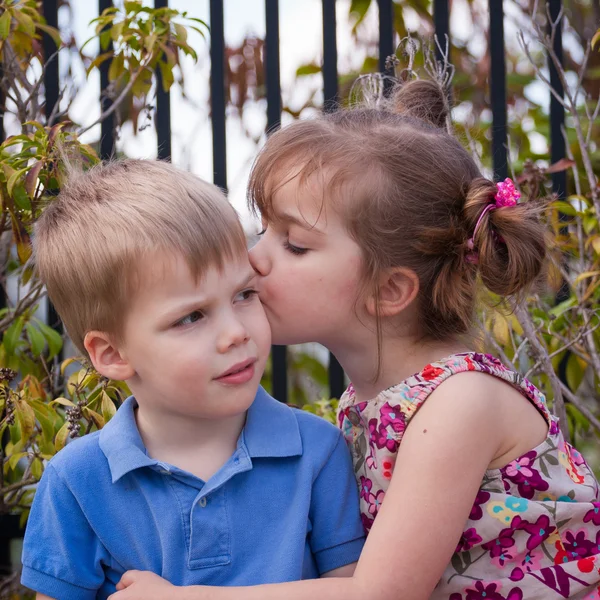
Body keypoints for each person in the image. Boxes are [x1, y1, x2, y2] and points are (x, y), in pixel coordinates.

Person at [111, 80, 600, 600]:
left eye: (294, 244)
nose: (255, 258)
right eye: (264, 230)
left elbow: (378, 593)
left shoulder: (459, 404)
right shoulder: (373, 397)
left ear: (389, 290)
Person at [20, 159, 365, 600]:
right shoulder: (77, 481)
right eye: (191, 317)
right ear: (113, 354)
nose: (236, 332)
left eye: (244, 294)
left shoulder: (317, 453)